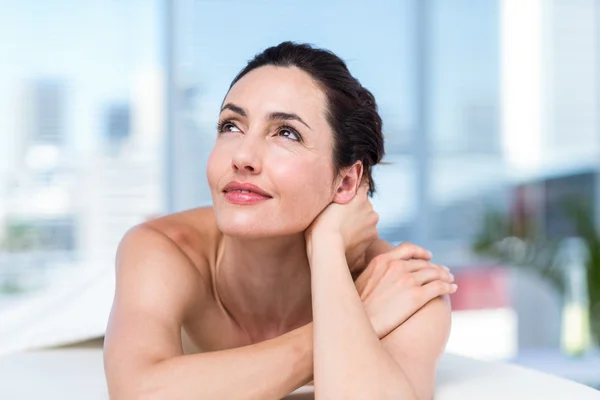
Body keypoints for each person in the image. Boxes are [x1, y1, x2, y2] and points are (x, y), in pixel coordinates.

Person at [103, 41, 456, 399]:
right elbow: (139, 392)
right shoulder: (164, 249)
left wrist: (328, 247)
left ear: (347, 181)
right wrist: (354, 322)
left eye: (287, 132)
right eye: (231, 126)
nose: (242, 156)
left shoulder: (401, 286)